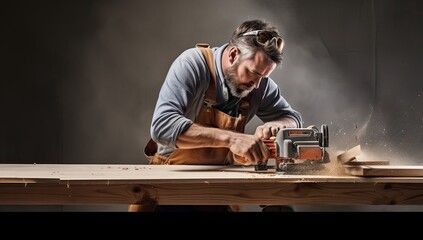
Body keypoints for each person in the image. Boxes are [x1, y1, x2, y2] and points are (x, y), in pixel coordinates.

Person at [131, 19, 302, 212]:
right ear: (233, 54)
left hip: (220, 191)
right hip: (169, 189)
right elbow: (163, 126)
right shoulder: (193, 64)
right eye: (252, 73)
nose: (256, 85)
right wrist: (233, 139)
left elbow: (292, 117)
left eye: (263, 77)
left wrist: (279, 125)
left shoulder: (259, 83)